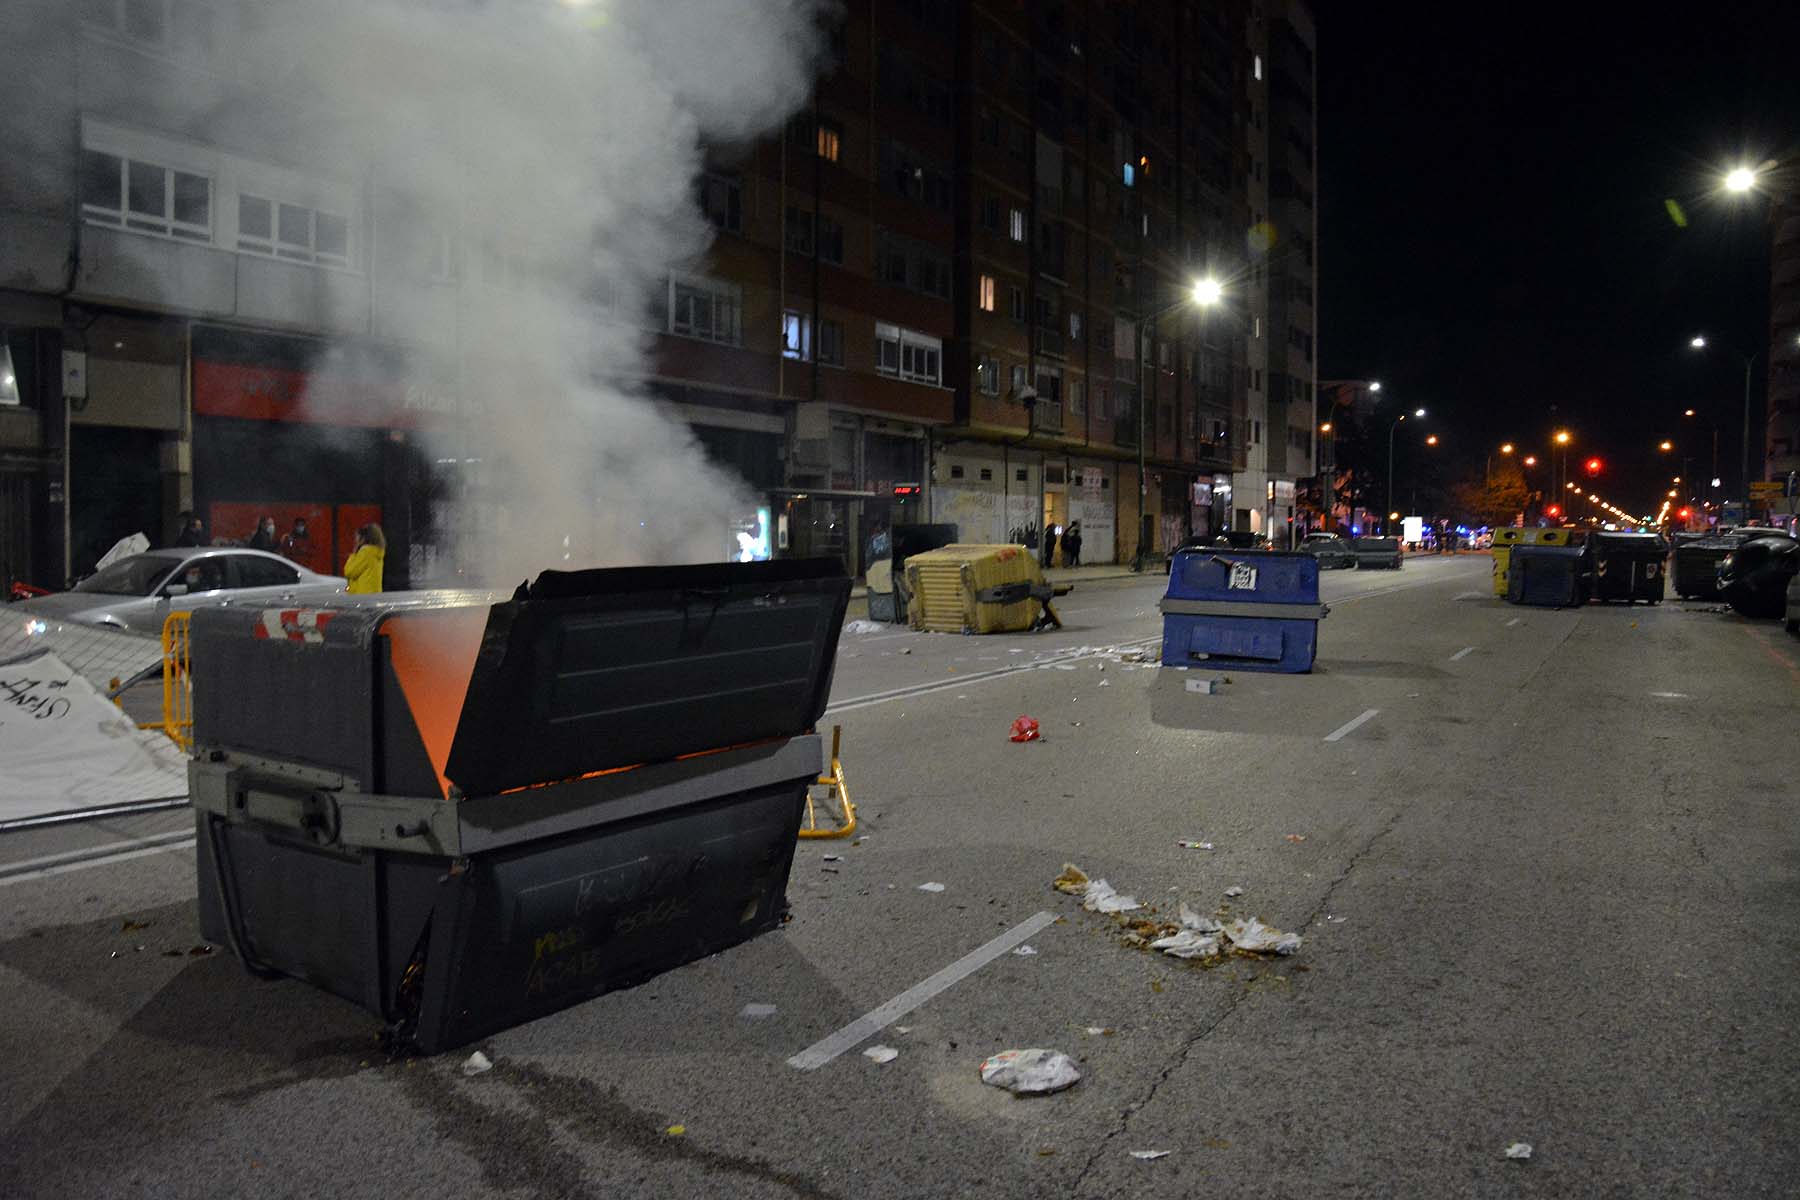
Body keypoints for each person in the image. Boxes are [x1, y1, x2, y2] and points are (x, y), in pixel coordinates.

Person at [343, 523, 386, 594]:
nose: (355, 540)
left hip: (362, 596)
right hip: (374, 594)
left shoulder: (366, 552)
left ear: (363, 539)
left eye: (357, 537)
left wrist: (353, 554)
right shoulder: (376, 552)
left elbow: (349, 572)